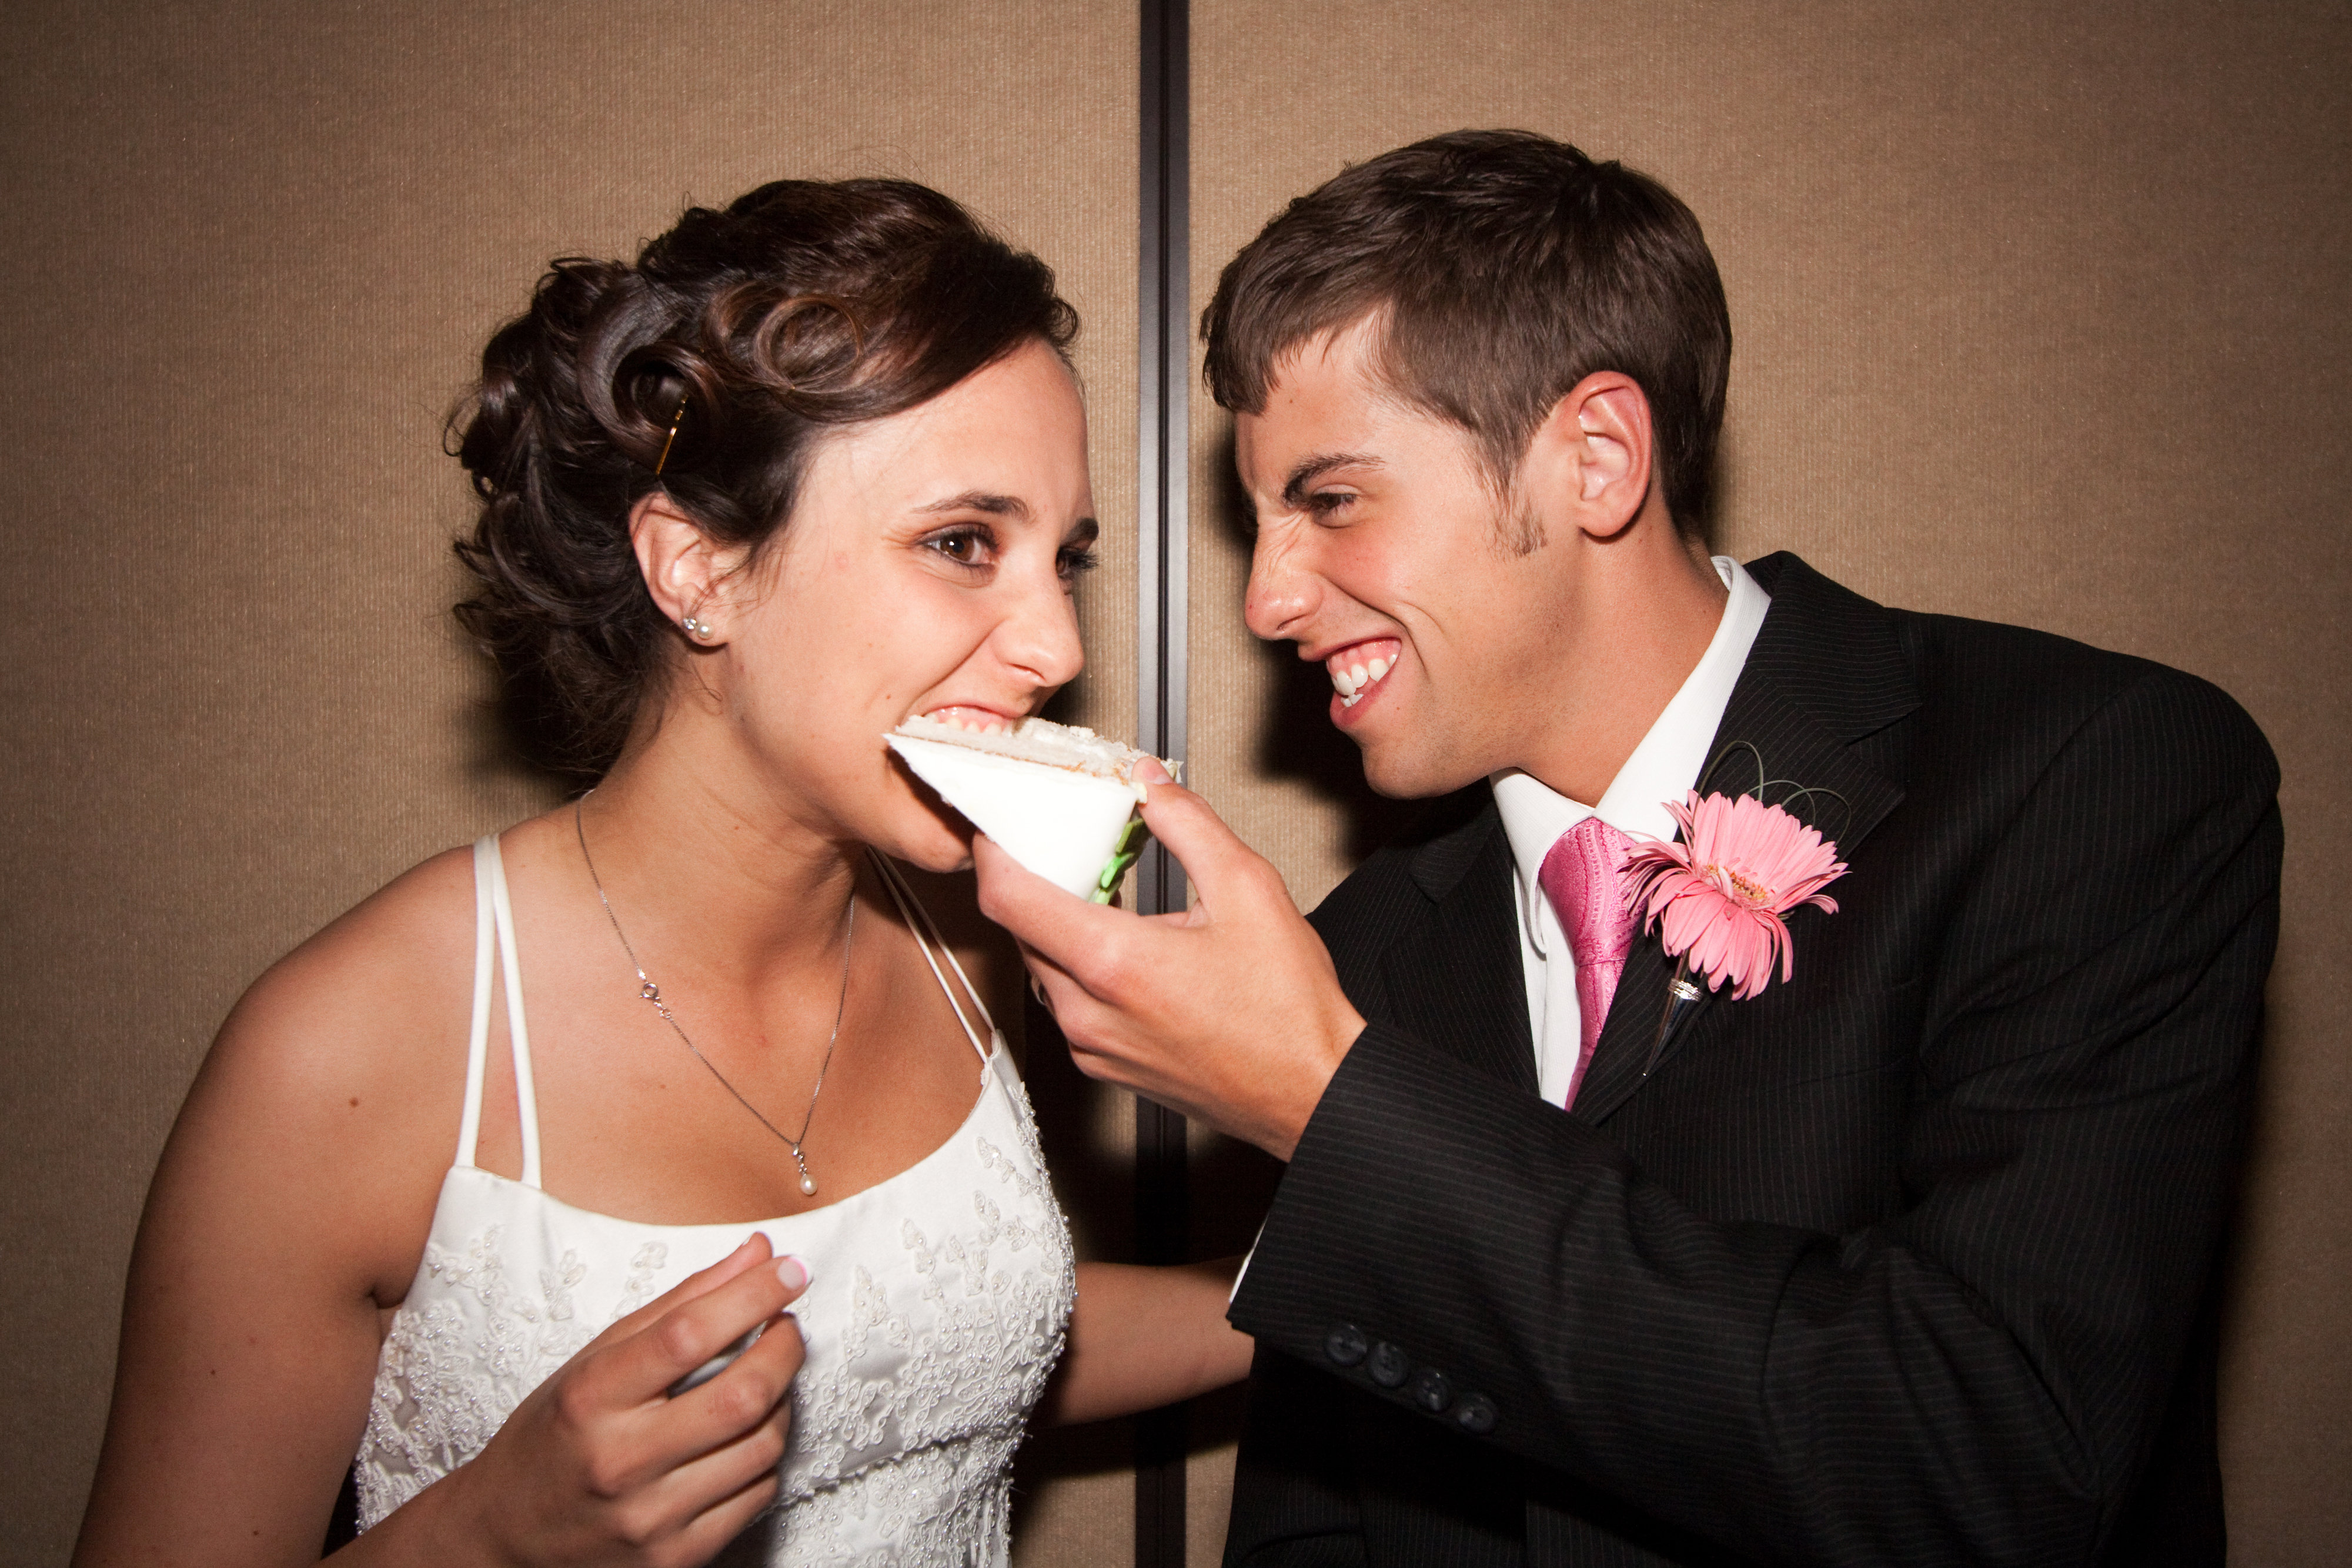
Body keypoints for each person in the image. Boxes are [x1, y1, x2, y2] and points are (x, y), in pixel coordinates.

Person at [974, 131, 2281, 1566]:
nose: (1269, 600)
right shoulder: (1361, 947)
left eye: (1330, 500)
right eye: (1260, 520)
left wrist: (1328, 1102)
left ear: (1595, 456)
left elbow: (1996, 1460)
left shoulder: (2086, 777)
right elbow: (1324, 1519)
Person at [74, 178, 1252, 1568]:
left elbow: (956, 1335)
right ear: (694, 566)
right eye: (960, 543)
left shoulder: (970, 944)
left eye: (1064, 557)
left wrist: (1386, 1261)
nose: (1054, 643)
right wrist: (488, 1538)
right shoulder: (345, 1047)